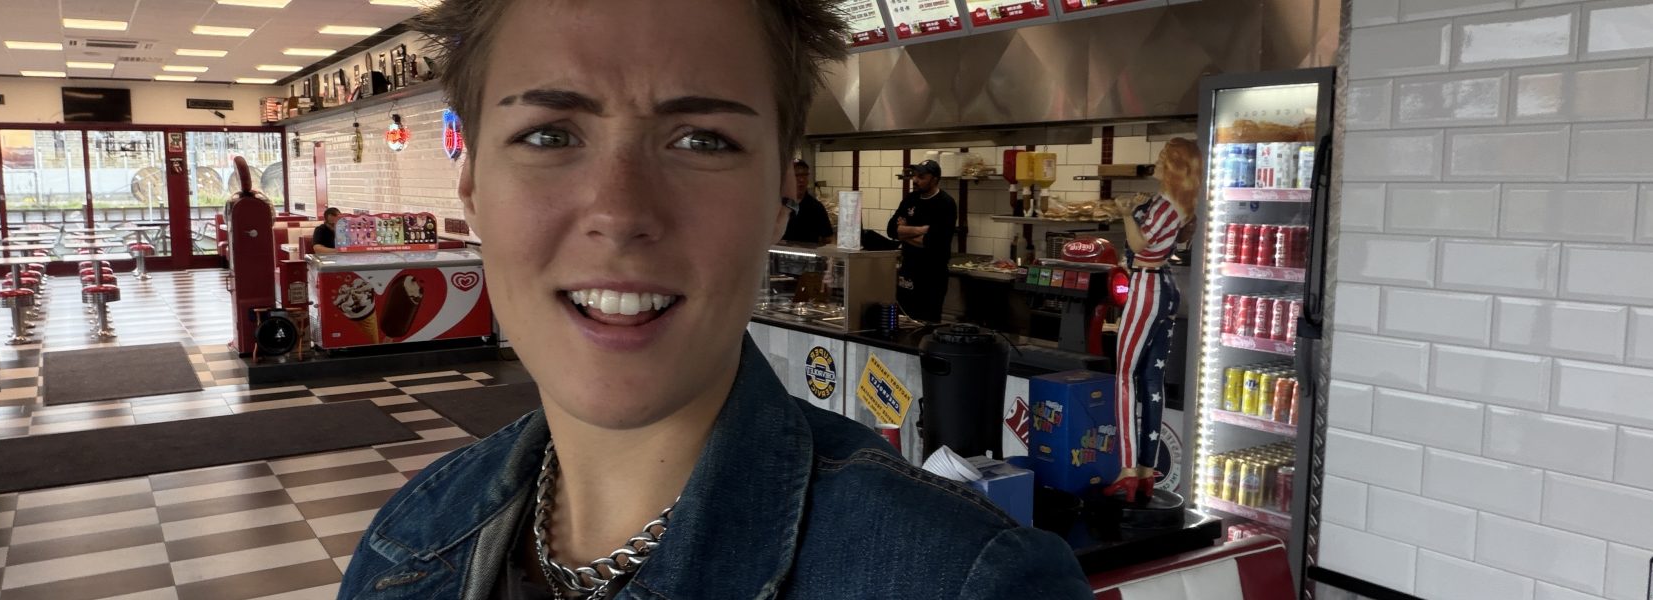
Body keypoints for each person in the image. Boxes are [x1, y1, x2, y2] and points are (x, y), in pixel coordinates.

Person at [338, 0, 1092, 599]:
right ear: (472, 186)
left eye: (702, 140)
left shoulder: (963, 580)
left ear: (780, 196)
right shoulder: (408, 545)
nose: (621, 213)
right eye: (549, 136)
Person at [1105, 139, 1201, 503]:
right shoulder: (1180, 205)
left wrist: (1125, 213)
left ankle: (1128, 468)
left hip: (1146, 286)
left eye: (1163, 158)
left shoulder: (1164, 206)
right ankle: (1147, 469)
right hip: (1165, 287)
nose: (1157, 162)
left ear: (1175, 167)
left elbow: (1139, 245)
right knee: (1152, 379)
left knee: (1124, 376)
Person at [887, 159, 957, 323]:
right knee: (903, 320)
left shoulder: (945, 203)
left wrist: (904, 232)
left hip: (932, 275)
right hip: (908, 270)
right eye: (914, 176)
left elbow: (933, 243)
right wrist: (922, 230)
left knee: (926, 324)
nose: (915, 180)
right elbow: (891, 229)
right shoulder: (911, 199)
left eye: (921, 177)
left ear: (934, 179)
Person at [781, 158, 834, 244]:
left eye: (804, 175)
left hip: (807, 252)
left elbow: (827, 238)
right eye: (797, 175)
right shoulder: (778, 205)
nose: (801, 179)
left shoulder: (816, 208)